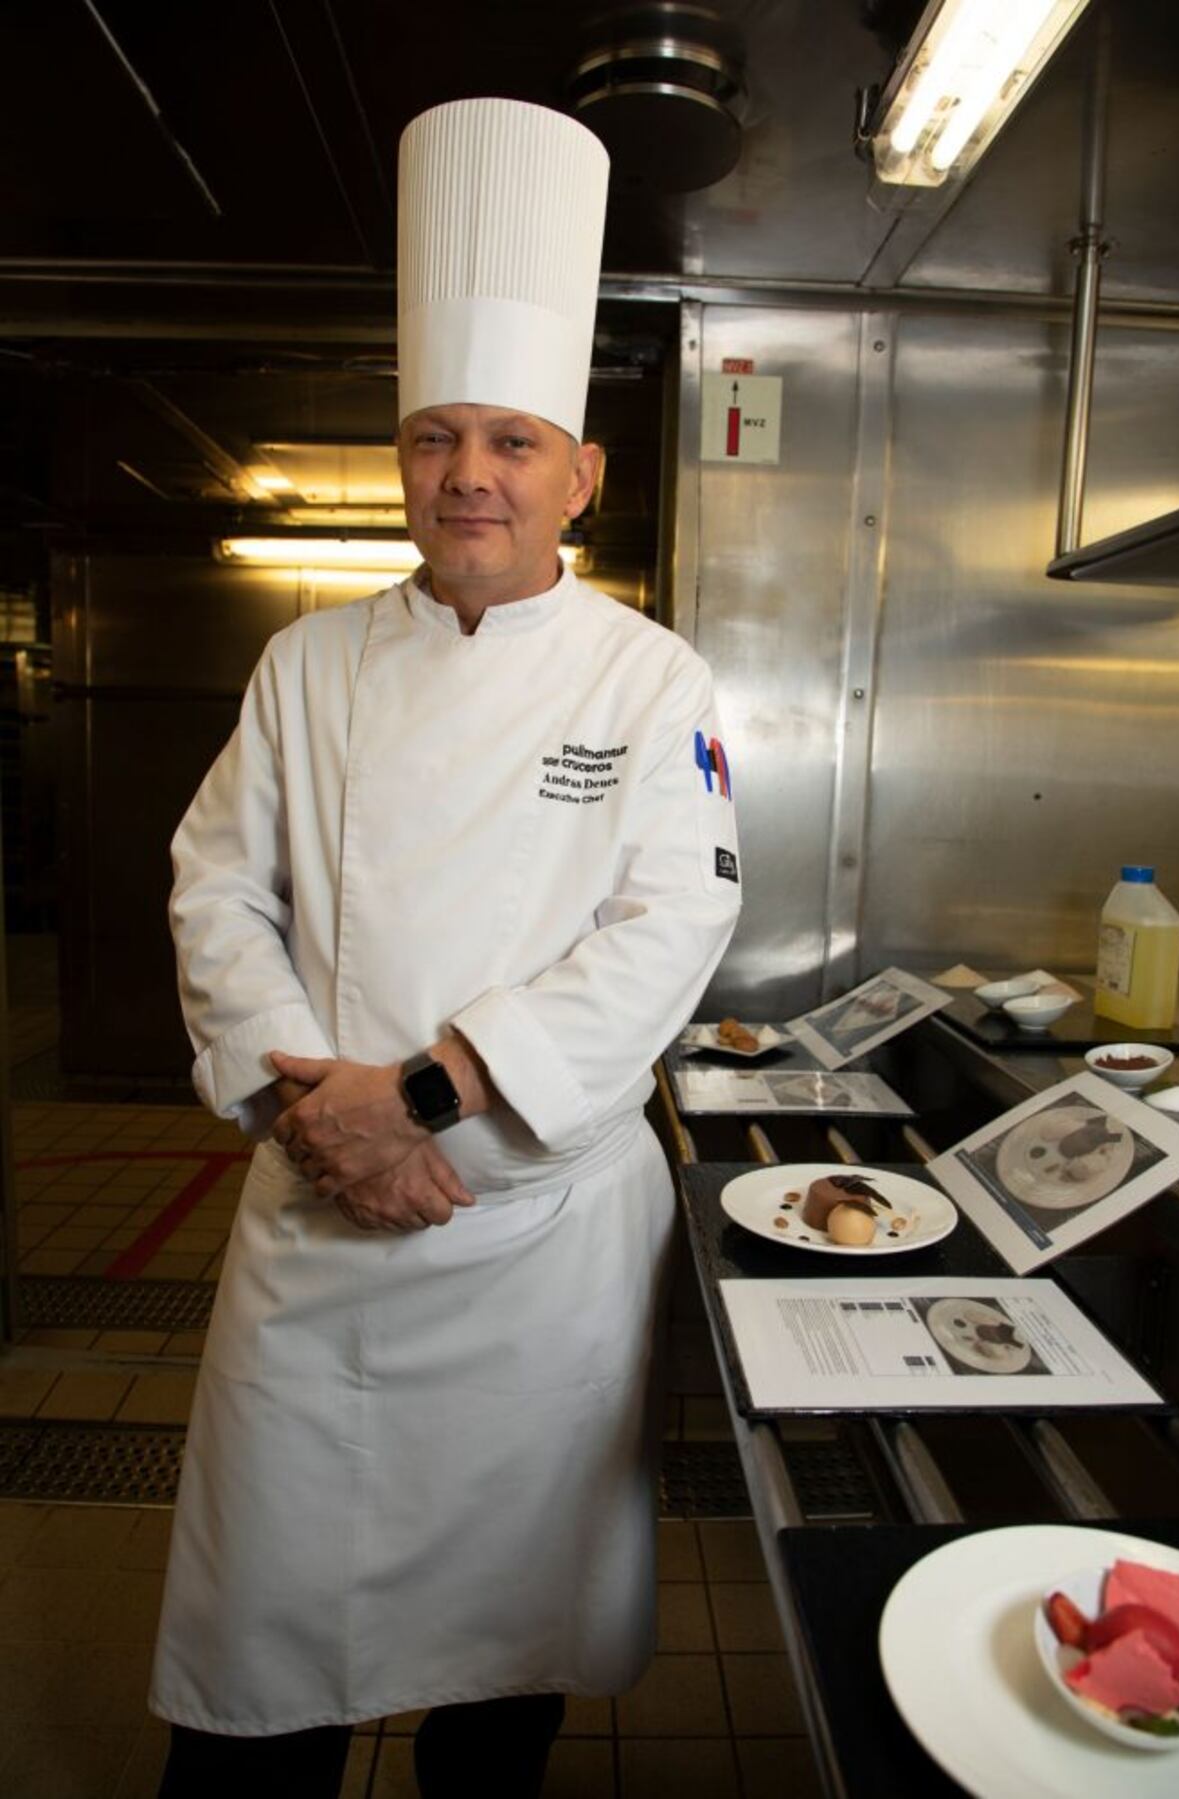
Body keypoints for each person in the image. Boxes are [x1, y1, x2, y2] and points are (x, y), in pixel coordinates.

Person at [149, 97, 741, 1798]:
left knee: (502, 1675)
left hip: (532, 1231)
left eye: (511, 440)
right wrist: (321, 1121)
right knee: (257, 1658)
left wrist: (420, 1096)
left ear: (580, 473)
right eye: (434, 437)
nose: (469, 473)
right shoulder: (308, 666)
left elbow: (675, 918)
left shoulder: (649, 680)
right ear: (403, 460)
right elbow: (216, 890)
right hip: (319, 1205)